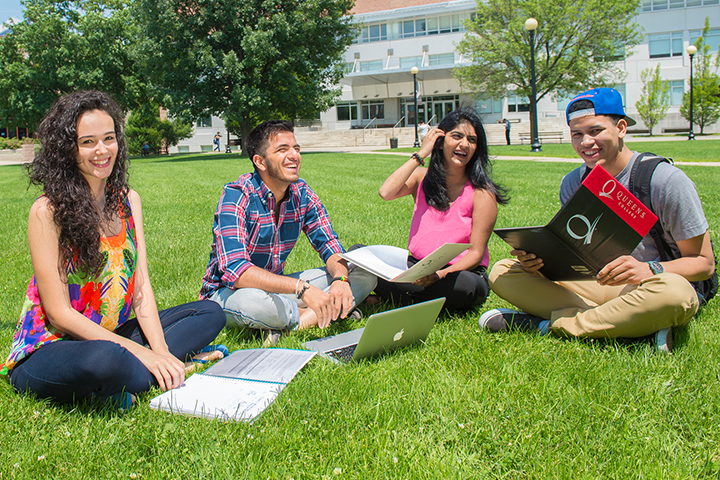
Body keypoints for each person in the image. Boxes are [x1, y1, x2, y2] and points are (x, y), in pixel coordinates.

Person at [2, 91, 227, 408]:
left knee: (209, 313)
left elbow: (141, 287)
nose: (102, 150)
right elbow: (59, 314)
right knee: (106, 359)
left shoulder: (128, 200)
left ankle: (145, 373)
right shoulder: (47, 211)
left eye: (109, 138)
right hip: (54, 346)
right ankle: (145, 372)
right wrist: (142, 352)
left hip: (114, 332)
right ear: (69, 148)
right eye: (88, 142)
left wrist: (159, 351)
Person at [480, 88, 715, 352]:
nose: (585, 142)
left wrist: (650, 269)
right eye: (577, 134)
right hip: (593, 282)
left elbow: (704, 264)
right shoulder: (573, 182)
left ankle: (545, 326)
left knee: (675, 295)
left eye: (595, 131)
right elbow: (575, 251)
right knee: (502, 271)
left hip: (647, 285)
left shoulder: (664, 180)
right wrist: (539, 264)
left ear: (621, 128)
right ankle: (628, 325)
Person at [200, 120, 377, 344]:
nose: (294, 155)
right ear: (260, 161)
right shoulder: (237, 195)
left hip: (279, 288)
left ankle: (293, 323)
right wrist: (303, 289)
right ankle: (326, 312)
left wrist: (341, 280)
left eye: (296, 148)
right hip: (229, 293)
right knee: (255, 303)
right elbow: (236, 271)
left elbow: (330, 245)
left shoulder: (302, 194)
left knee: (365, 272)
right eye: (283, 150)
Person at [374, 108, 509, 310]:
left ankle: (400, 299)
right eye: (457, 136)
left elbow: (476, 254)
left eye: (472, 140)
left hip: (456, 274)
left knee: (466, 286)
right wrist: (421, 153)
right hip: (417, 268)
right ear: (440, 141)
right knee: (359, 255)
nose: (464, 144)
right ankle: (416, 300)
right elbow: (386, 192)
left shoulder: (482, 193)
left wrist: (439, 274)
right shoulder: (421, 177)